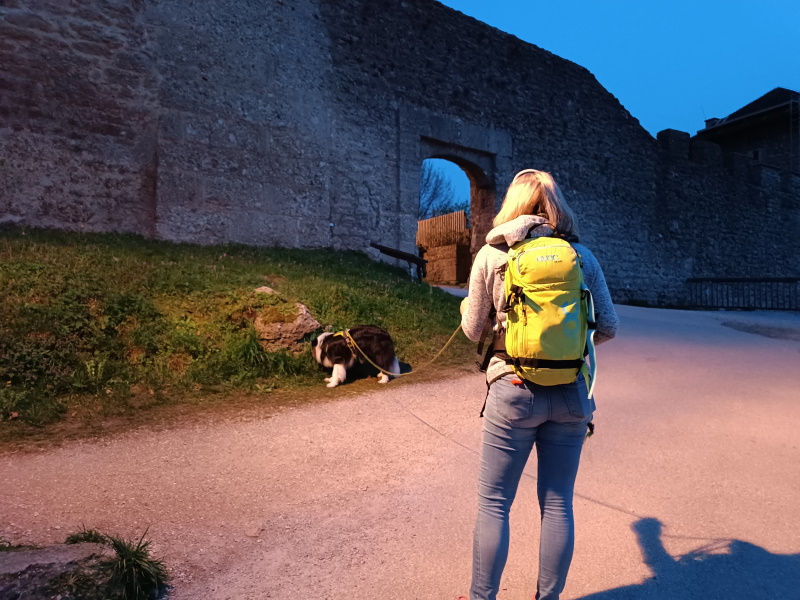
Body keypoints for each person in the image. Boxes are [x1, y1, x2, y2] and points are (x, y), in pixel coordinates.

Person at [460, 169, 619, 600]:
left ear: (512, 205)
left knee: (495, 503)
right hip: (571, 392)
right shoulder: (581, 256)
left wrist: (471, 310)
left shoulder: (492, 254)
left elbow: (473, 330)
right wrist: (567, 349)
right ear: (556, 205)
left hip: (512, 386)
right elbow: (608, 325)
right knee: (557, 502)